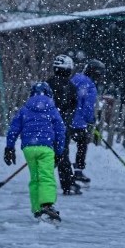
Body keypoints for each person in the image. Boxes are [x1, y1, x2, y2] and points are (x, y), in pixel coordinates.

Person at [5, 82, 67, 221]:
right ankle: (47, 204)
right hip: (46, 148)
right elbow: (60, 131)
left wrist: (9, 147)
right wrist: (59, 151)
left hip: (29, 148)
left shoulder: (25, 109)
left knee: (35, 178)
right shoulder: (52, 109)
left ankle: (37, 209)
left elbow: (13, 129)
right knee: (46, 176)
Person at [46, 54, 82, 195]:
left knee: (49, 154)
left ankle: (42, 180)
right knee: (62, 155)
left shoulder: (48, 83)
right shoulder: (71, 87)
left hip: (48, 126)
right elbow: (73, 108)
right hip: (62, 127)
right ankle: (67, 184)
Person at [69, 59, 105, 184]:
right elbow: (88, 107)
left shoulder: (75, 79)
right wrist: (90, 120)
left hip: (66, 119)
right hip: (78, 122)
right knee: (83, 143)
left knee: (62, 146)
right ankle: (78, 171)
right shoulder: (90, 86)